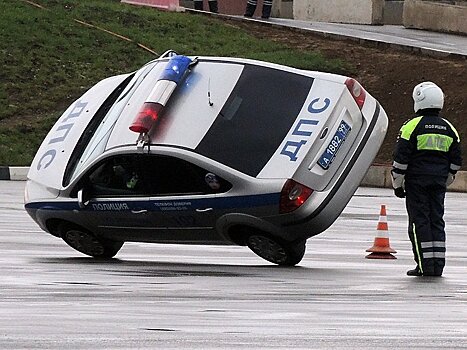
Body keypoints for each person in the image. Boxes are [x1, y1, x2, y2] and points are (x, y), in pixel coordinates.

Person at [392, 82, 462, 277]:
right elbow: (456, 162)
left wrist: (398, 185)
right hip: (438, 183)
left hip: (416, 183)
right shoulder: (450, 128)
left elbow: (400, 160)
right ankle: (437, 266)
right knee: (436, 221)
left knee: (419, 222)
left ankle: (424, 266)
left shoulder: (411, 126)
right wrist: (445, 180)